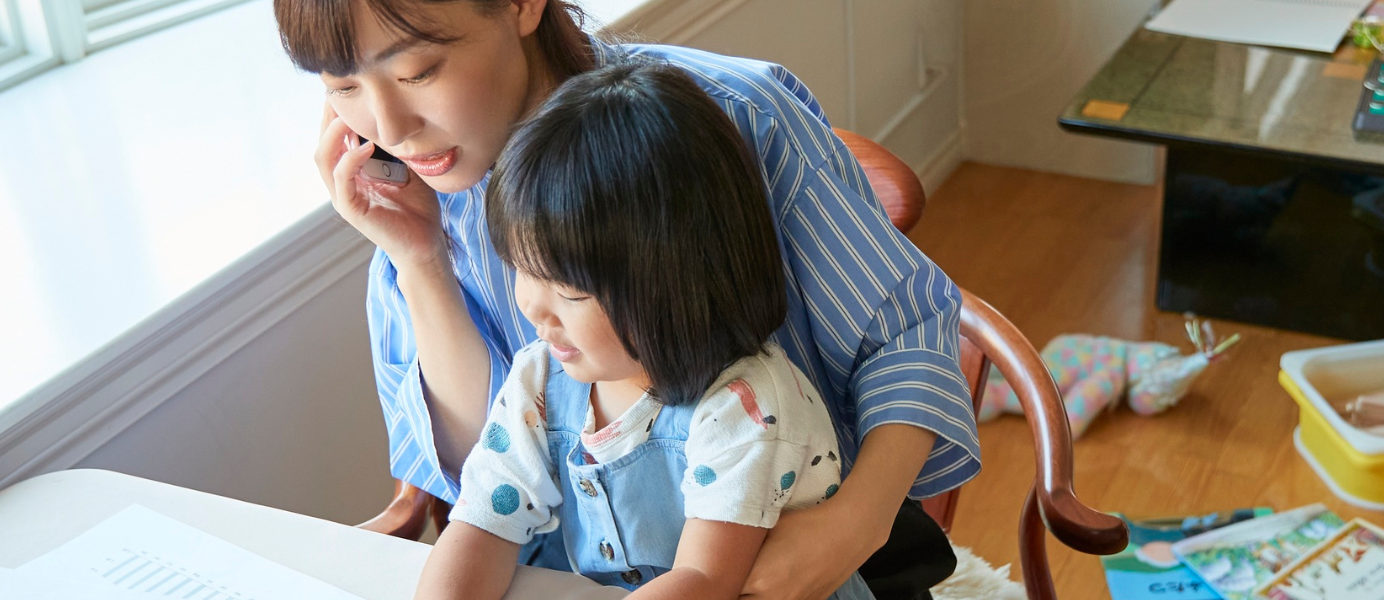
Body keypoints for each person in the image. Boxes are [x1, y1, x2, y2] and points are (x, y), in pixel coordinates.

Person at [272, 0, 974, 596]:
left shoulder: (731, 117)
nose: (388, 128)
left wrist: (855, 523)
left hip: (802, 553)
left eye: (417, 71)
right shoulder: (413, 202)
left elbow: (907, 331)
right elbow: (485, 471)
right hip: (584, 574)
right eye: (341, 87)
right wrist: (419, 261)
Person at [415, 58, 865, 600]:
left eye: (570, 291)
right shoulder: (540, 382)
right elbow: (481, 522)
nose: (534, 308)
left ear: (677, 279)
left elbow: (703, 581)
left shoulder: (745, 404)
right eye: (522, 272)